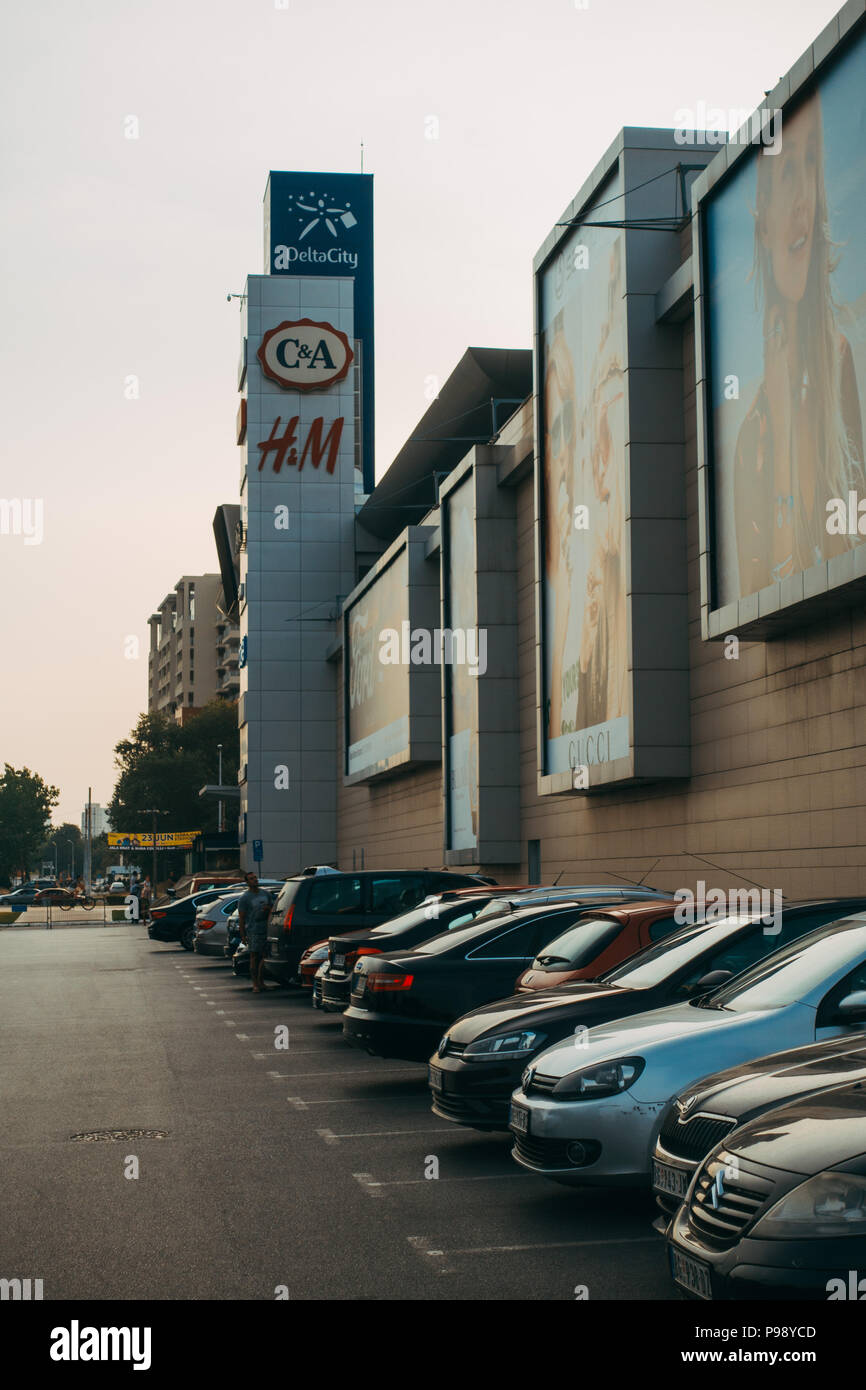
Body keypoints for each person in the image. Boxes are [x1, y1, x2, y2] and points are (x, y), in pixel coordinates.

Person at [734, 90, 864, 597]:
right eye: (786, 171)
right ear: (762, 219)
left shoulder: (840, 363)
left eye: (810, 164)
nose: (803, 197)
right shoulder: (753, 439)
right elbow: (770, 589)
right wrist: (784, 425)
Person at [237, 870, 273, 995]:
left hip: (266, 929)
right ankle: (255, 984)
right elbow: (241, 917)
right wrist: (242, 934)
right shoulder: (245, 898)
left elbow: (273, 910)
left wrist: (268, 909)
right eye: (251, 879)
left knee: (265, 956)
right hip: (253, 930)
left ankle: (261, 981)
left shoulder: (266, 894)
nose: (255, 880)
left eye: (255, 878)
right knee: (254, 956)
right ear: (247, 882)